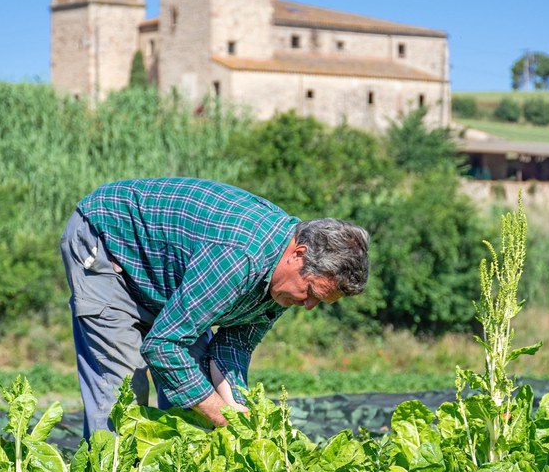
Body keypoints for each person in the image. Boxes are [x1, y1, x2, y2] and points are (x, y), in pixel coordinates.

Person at [61, 177, 370, 438]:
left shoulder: (285, 280)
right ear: (298, 254)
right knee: (124, 393)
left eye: (319, 301)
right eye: (312, 293)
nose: (308, 306)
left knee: (197, 393)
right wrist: (220, 415)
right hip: (107, 243)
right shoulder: (240, 257)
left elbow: (234, 342)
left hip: (164, 275)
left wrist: (237, 410)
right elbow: (163, 346)